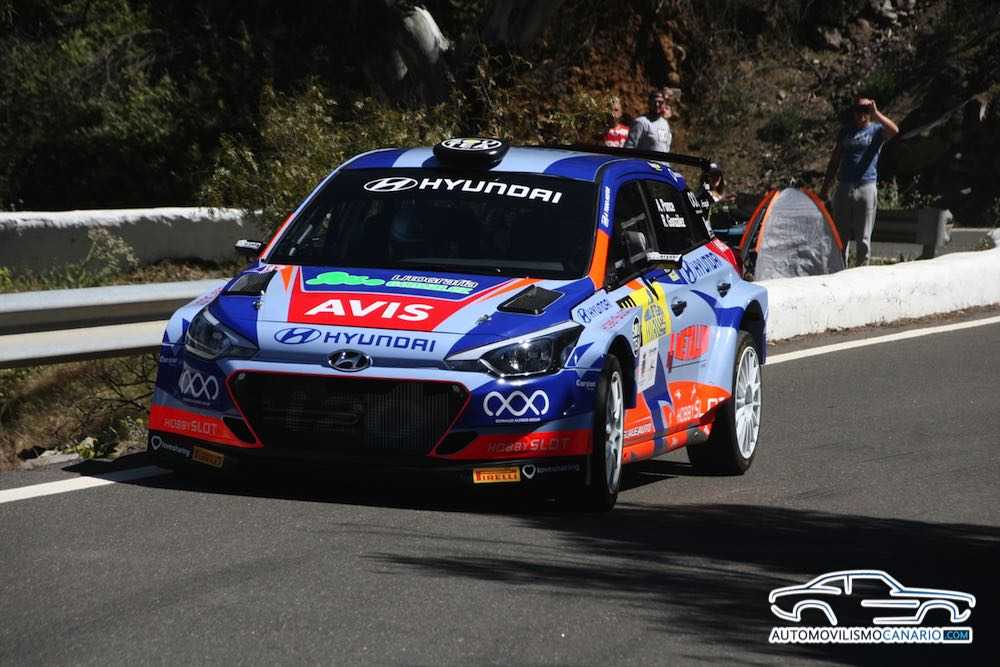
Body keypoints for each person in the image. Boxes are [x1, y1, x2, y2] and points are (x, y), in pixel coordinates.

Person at [821, 97, 899, 266]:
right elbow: (835, 160)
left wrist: (876, 113)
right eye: (858, 110)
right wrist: (826, 186)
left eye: (865, 110)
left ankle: (862, 270)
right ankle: (840, 269)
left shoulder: (877, 130)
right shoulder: (846, 132)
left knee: (863, 237)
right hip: (844, 186)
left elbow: (895, 130)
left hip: (866, 186)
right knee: (840, 236)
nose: (861, 114)